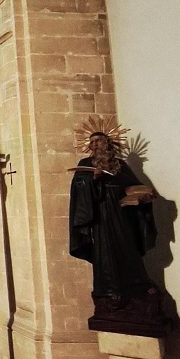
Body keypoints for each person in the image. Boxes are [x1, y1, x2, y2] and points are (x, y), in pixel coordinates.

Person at [69, 129, 160, 325]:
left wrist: (143, 197)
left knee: (128, 248)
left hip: (122, 214)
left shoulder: (120, 164)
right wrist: (93, 179)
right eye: (92, 142)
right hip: (100, 216)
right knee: (105, 253)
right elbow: (78, 188)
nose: (95, 145)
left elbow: (134, 185)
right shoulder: (85, 164)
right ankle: (109, 292)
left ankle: (137, 286)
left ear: (107, 143)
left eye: (99, 141)